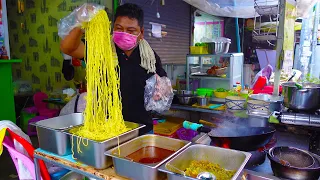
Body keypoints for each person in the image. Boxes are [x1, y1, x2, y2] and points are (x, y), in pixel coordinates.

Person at [60, 3, 168, 135]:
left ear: (141, 33)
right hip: (106, 129)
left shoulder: (149, 57)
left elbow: (163, 84)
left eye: (131, 30)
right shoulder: (101, 50)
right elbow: (68, 48)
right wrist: (81, 24)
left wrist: (162, 90)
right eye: (119, 28)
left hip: (141, 129)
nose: (124, 34)